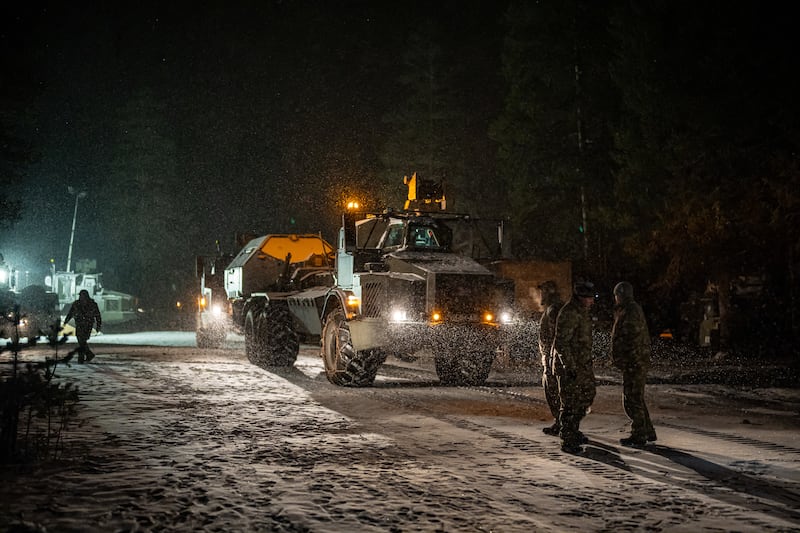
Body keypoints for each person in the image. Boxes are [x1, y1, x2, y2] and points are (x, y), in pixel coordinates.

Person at [552, 281, 597, 453]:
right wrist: (569, 366)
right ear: (581, 298)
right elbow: (561, 343)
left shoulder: (582, 312)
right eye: (589, 298)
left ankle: (574, 430)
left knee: (587, 396)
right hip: (570, 367)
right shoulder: (570, 313)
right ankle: (568, 438)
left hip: (582, 365)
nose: (592, 301)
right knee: (570, 402)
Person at [611, 281, 657, 447]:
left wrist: (625, 359)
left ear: (621, 295)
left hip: (634, 362)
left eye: (616, 295)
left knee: (632, 399)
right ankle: (647, 430)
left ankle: (639, 434)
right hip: (635, 361)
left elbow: (630, 338)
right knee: (636, 397)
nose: (615, 299)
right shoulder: (629, 309)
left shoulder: (630, 311)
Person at [537, 280, 563, 436]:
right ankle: (561, 422)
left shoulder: (554, 310)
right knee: (553, 390)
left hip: (553, 359)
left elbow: (556, 336)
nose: (541, 295)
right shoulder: (552, 309)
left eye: (543, 291)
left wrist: (551, 358)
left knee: (554, 391)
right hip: (551, 358)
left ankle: (562, 423)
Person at [64, 289, 102, 363]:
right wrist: (66, 321)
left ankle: (85, 356)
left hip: (87, 325)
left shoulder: (92, 304)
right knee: (81, 341)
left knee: (82, 341)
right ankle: (85, 356)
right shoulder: (77, 304)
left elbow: (98, 316)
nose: (81, 297)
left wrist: (98, 326)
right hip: (79, 324)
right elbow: (70, 313)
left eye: (82, 296)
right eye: (80, 296)